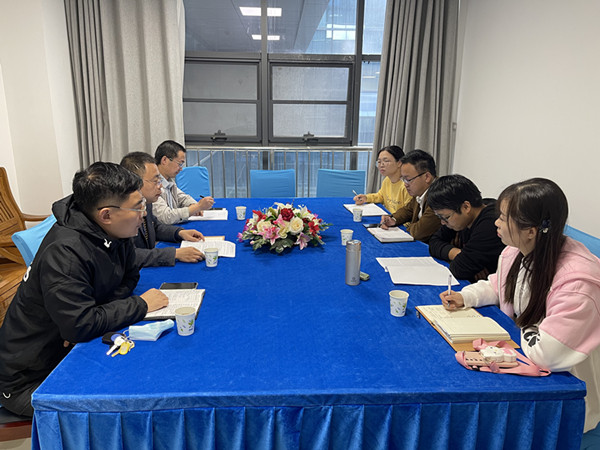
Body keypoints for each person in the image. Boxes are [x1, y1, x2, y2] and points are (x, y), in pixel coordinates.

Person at [0, 162, 169, 417]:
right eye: (137, 207)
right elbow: (79, 326)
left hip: (67, 349)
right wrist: (140, 305)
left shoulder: (114, 231)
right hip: (33, 379)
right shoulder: (65, 254)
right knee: (130, 405)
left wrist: (96, 313)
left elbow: (130, 275)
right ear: (106, 215)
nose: (143, 215)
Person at [440, 178, 600, 437]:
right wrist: (466, 296)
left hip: (565, 394)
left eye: (503, 218)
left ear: (531, 231)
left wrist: (518, 325)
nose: (496, 223)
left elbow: (549, 353)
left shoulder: (577, 281)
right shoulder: (516, 251)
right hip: (525, 359)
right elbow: (500, 286)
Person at [120, 152, 206, 267]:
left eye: (160, 180)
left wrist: (179, 233)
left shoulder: (147, 202)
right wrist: (174, 254)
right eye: (155, 181)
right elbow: (129, 255)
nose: (160, 186)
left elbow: (155, 227)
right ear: (134, 182)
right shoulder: (121, 212)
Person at [427, 174, 505, 282]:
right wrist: (459, 254)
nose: (443, 222)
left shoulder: (491, 224)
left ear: (466, 207)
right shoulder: (464, 218)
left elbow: (459, 269)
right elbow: (434, 242)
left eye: (446, 217)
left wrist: (464, 258)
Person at [380, 149, 441, 242]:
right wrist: (392, 219)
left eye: (408, 179)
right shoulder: (420, 191)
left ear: (427, 177)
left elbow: (419, 232)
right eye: (403, 179)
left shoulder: (439, 196)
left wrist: (410, 227)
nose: (405, 184)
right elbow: (408, 210)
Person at [153, 140, 214, 224]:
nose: (181, 169)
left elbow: (183, 198)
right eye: (179, 164)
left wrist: (193, 205)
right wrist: (197, 207)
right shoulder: (152, 185)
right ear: (164, 160)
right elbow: (166, 217)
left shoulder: (168, 180)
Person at [353, 145, 411, 214]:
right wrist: (366, 198)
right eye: (379, 162)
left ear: (399, 163)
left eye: (386, 161)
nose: (381, 165)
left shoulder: (407, 185)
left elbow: (408, 212)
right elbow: (381, 196)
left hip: (398, 220)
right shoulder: (387, 180)